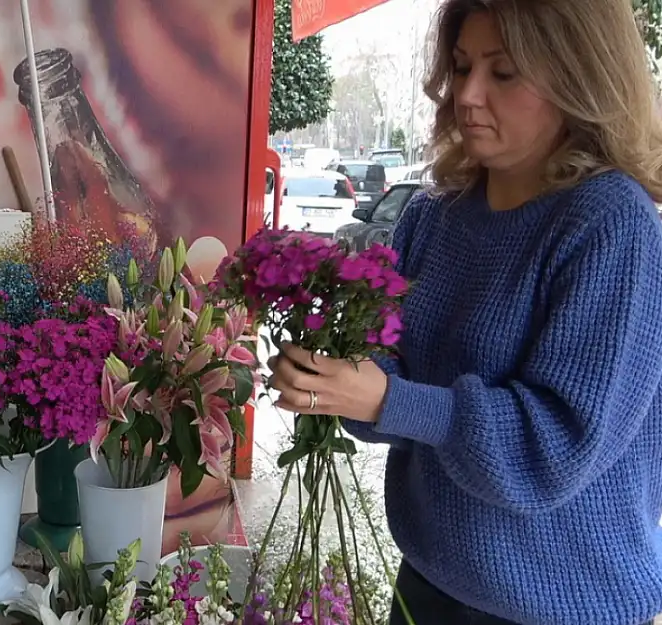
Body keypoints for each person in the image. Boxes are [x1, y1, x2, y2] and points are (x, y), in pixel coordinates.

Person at [267, 1, 662, 624]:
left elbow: (553, 449)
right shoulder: (433, 215)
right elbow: (388, 377)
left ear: (579, 78)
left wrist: (383, 399)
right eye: (461, 65)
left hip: (562, 605)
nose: (468, 95)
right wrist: (333, 375)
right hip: (429, 581)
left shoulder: (612, 226)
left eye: (503, 73)